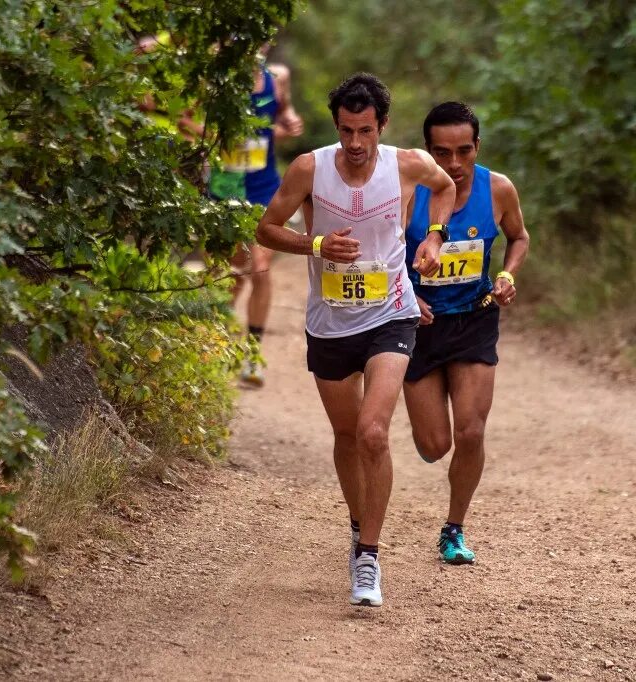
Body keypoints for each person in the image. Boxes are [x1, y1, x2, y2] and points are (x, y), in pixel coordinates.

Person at [256, 73, 455, 606]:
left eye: (365, 131)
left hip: (391, 311)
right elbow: (267, 229)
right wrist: (316, 242)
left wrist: (435, 236)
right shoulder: (309, 168)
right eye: (346, 130)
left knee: (372, 432)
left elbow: (447, 187)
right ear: (336, 125)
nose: (356, 143)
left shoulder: (407, 163)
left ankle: (368, 554)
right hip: (330, 321)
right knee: (347, 436)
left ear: (381, 126)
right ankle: (356, 520)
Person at [403, 101, 530, 565]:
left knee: (472, 432)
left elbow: (519, 236)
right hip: (417, 325)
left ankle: (454, 528)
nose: (453, 164)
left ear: (477, 147)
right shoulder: (408, 189)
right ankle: (423, 424)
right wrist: (406, 295)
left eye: (463, 151)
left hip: (475, 319)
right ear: (427, 150)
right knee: (434, 446)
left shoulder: (498, 189)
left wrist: (509, 276)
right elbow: (381, 249)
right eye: (442, 153)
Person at [214, 46, 304, 388]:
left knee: (260, 268)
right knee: (232, 273)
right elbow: (185, 119)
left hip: (264, 188)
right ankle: (216, 344)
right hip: (226, 187)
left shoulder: (277, 77)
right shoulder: (218, 78)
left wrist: (289, 122)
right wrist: (219, 138)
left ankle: (252, 356)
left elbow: (283, 115)